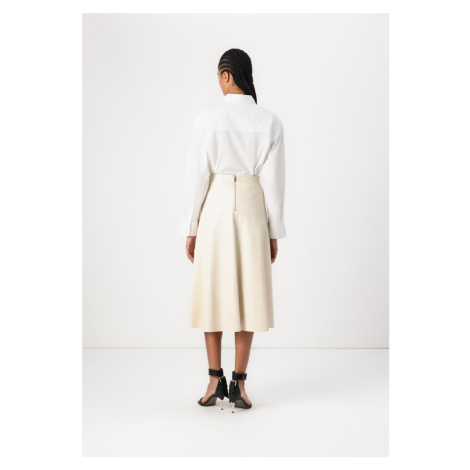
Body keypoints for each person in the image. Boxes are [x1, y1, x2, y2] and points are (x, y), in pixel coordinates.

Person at [180, 48, 287, 412]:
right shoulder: (270, 121)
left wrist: (191, 227)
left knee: (211, 290)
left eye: (218, 76)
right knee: (250, 293)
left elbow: (197, 177)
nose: (218, 82)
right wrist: (273, 230)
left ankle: (214, 380)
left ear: (226, 75)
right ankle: (239, 385)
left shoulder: (207, 119)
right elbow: (274, 183)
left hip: (215, 206)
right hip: (254, 208)